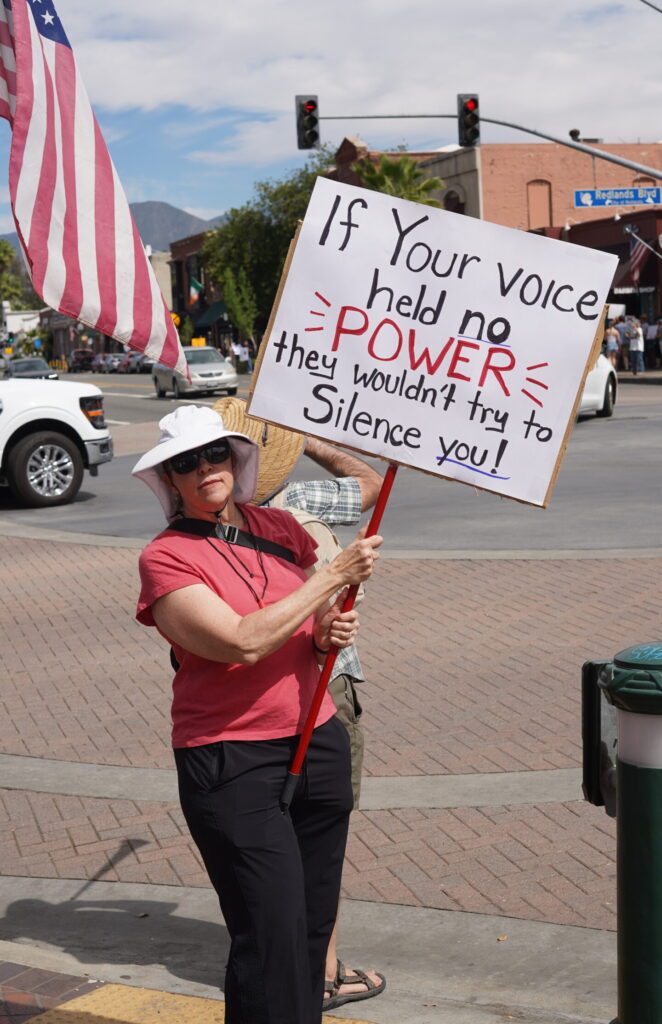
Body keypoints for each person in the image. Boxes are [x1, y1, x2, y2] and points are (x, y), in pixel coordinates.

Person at [132, 405, 383, 1024]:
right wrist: (333, 579)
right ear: (170, 480)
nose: (204, 469)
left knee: (310, 928)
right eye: (185, 463)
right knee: (268, 934)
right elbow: (241, 641)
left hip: (317, 735)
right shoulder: (164, 558)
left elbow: (306, 626)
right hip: (231, 758)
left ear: (236, 460)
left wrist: (327, 633)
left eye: (215, 454)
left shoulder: (278, 524)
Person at [214, 397, 386, 1013]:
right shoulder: (297, 505)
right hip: (312, 694)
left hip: (245, 710)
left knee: (282, 843)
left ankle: (301, 965)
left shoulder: (200, 521)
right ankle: (322, 968)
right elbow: (368, 483)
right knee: (317, 841)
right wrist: (308, 438)